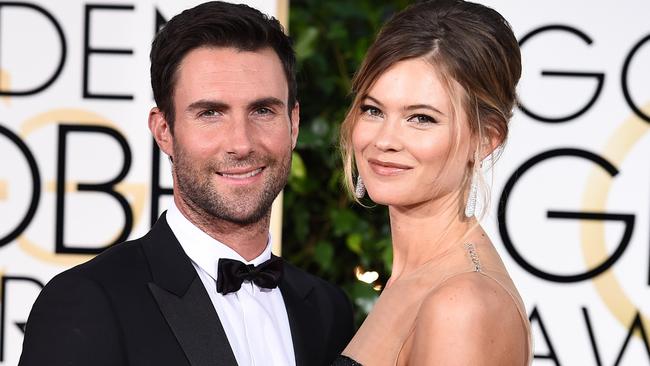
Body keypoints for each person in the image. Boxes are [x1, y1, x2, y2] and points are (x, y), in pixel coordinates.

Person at [18, 2, 354, 366]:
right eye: (210, 113)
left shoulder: (326, 309)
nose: (241, 144)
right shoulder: (88, 302)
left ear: (294, 122)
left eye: (262, 110)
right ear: (164, 131)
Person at [334, 0, 531, 365]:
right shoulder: (419, 278)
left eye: (421, 118)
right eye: (373, 110)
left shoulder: (460, 305)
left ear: (485, 139)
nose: (385, 140)